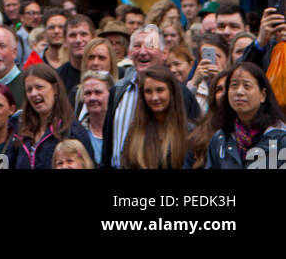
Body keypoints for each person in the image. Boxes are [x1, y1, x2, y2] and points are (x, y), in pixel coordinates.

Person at [102, 26, 200, 169]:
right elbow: (108, 147)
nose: (142, 51)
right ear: (129, 52)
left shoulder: (182, 94)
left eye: (150, 46)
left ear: (164, 53)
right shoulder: (117, 91)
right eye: (137, 46)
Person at [7, 64, 94, 170]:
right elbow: (5, 162)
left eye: (39, 87)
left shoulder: (73, 131)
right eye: (29, 90)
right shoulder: (19, 131)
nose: (34, 93)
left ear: (55, 89)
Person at [206, 62, 286, 169]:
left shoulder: (280, 139)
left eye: (247, 86)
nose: (239, 92)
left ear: (263, 95)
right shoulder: (221, 139)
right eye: (234, 85)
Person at [121, 65, 189, 169]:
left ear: (172, 92)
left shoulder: (188, 132)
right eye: (148, 91)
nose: (154, 97)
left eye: (160, 90)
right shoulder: (135, 132)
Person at [57, 15, 94, 102]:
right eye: (73, 35)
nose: (78, 40)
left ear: (94, 38)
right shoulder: (57, 78)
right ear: (65, 41)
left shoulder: (109, 71)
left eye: (83, 34)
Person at [77, 71, 112, 164]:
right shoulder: (76, 133)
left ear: (111, 94)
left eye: (98, 92)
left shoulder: (121, 129)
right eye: (88, 93)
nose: (92, 98)